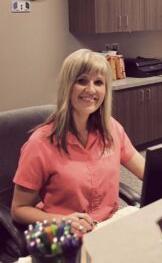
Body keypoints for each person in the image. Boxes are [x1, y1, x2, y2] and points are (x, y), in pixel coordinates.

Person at [11, 49, 145, 234]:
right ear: (68, 86)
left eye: (98, 82)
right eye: (82, 81)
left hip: (108, 230)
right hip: (66, 236)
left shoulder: (112, 129)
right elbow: (19, 210)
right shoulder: (40, 143)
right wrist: (62, 221)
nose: (91, 90)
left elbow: (147, 171)